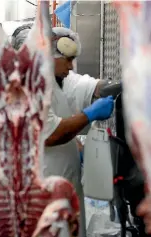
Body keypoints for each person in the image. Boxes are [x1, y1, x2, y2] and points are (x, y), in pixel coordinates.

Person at [13, 26, 114, 237]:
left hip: (66, 185)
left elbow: (94, 87)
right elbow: (51, 135)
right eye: (66, 59)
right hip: (42, 191)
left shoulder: (60, 80)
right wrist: (89, 115)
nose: (71, 66)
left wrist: (129, 83)